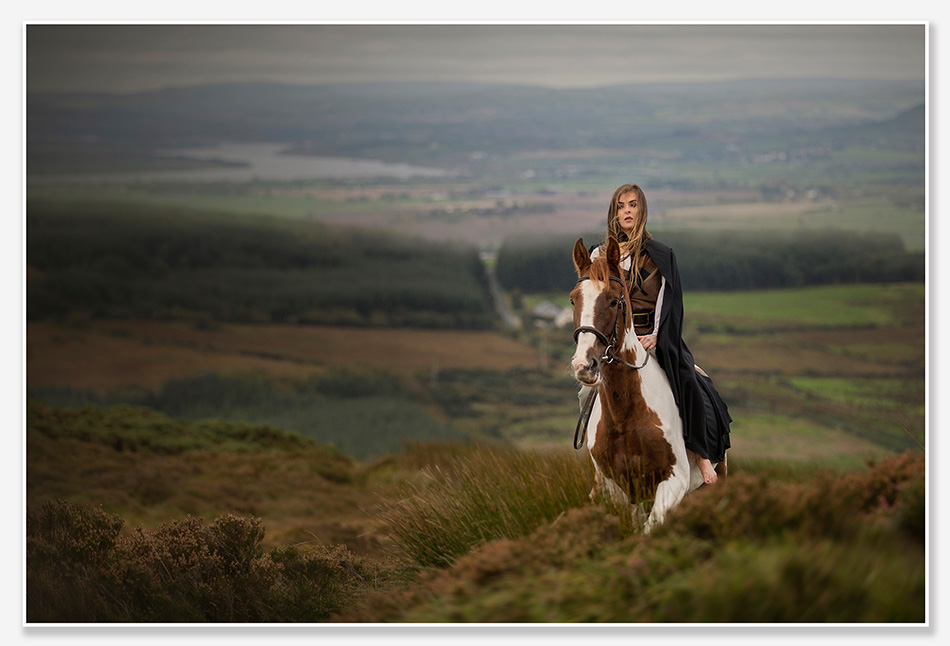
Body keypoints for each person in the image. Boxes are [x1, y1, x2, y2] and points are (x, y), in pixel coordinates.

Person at [584, 183, 731, 484]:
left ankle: (702, 455)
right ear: (614, 213)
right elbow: (595, 299)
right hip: (615, 340)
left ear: (642, 210)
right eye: (621, 206)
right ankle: (600, 466)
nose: (627, 211)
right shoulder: (599, 254)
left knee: (687, 379)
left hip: (654, 336)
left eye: (633, 205)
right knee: (587, 388)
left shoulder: (660, 255)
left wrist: (656, 336)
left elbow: (669, 301)